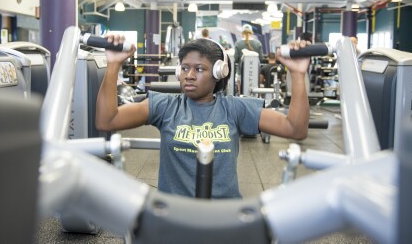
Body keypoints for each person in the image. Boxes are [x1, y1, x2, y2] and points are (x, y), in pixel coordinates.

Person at [96, 34, 310, 199]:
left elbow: (295, 129)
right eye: (185, 68)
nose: (189, 75)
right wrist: (114, 64)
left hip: (224, 217)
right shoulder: (164, 106)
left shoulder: (234, 109)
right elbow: (108, 120)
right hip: (173, 214)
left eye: (199, 69)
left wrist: (298, 74)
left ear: (219, 72)